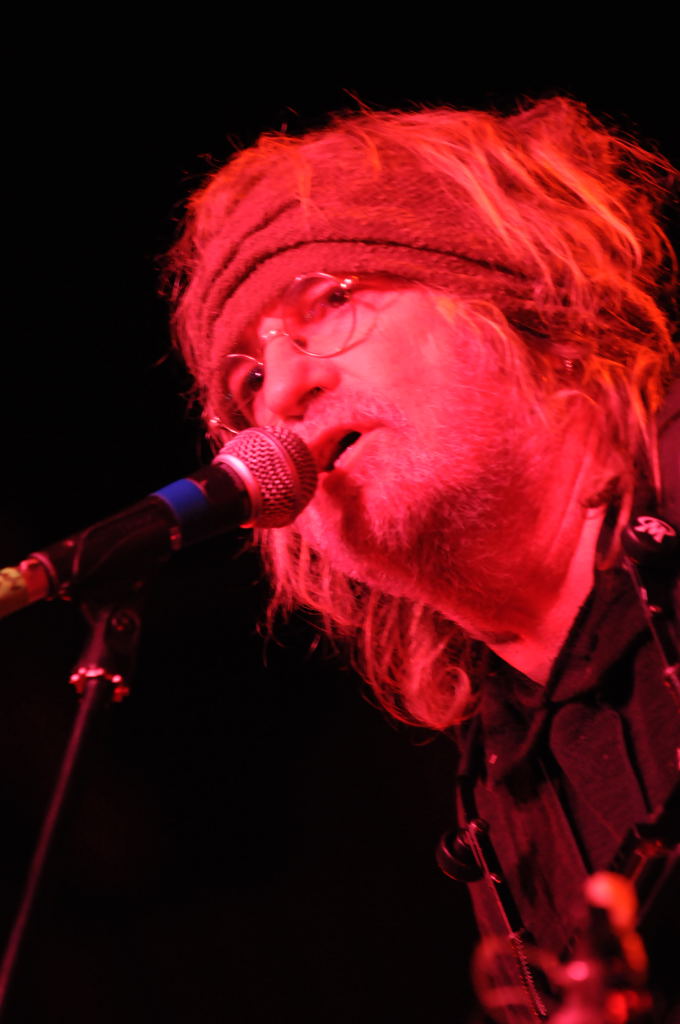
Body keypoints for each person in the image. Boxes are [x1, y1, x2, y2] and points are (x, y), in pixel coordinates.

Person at [166, 98, 679, 1022]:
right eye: (248, 379)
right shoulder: (500, 795)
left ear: (509, 291)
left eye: (334, 299)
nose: (283, 391)